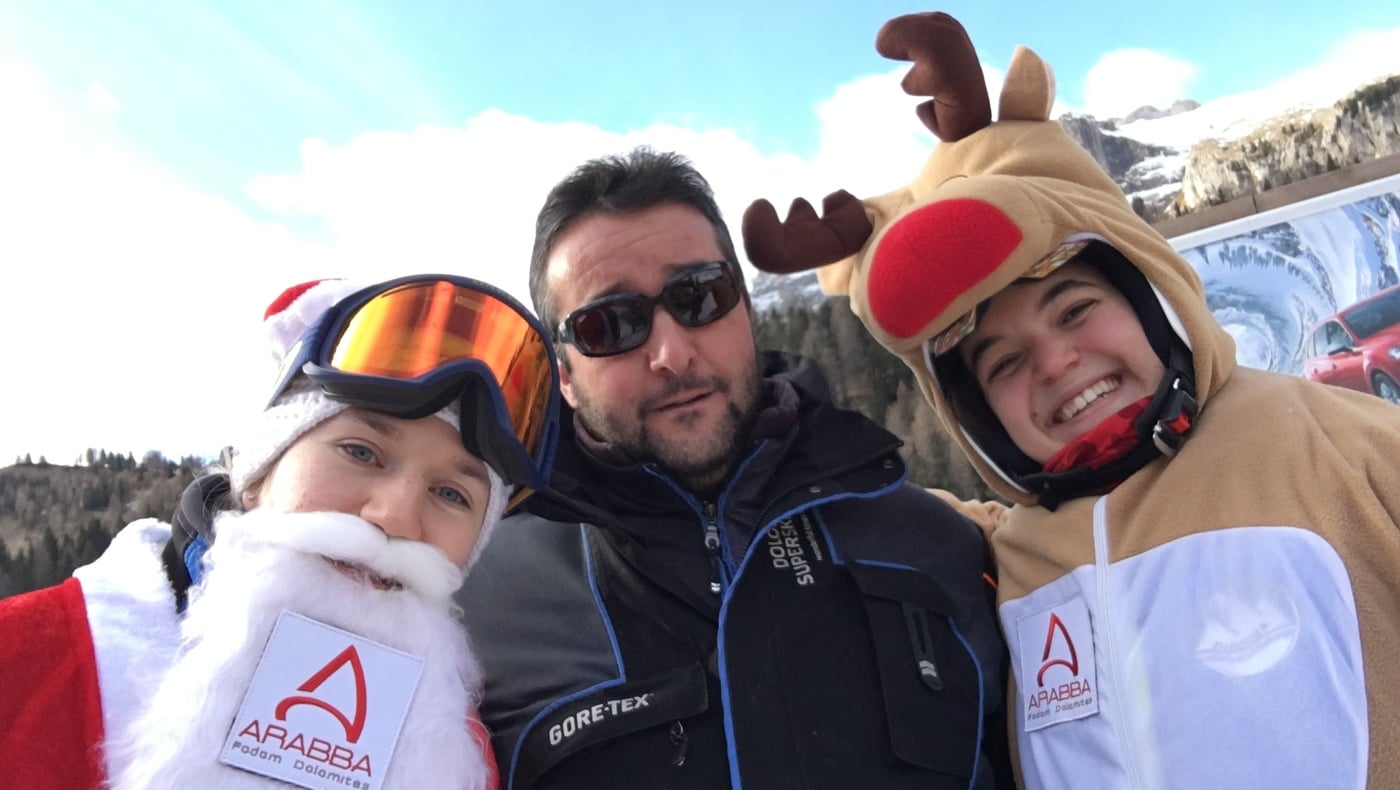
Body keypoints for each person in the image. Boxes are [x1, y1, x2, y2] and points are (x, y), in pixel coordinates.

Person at [742, 11, 1400, 789]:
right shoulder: (1008, 552)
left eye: (1076, 310)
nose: (1056, 362)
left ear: (1151, 297)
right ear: (978, 415)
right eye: (1004, 362)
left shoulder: (1339, 445)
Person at [456, 146, 1013, 789]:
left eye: (700, 296)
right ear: (566, 376)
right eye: (610, 325)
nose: (670, 351)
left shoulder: (932, 544)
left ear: (746, 311)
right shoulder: (476, 600)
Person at [0, 274, 561, 790]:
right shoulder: (23, 659)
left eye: (451, 494)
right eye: (361, 452)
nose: (394, 518)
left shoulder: (459, 753)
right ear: (260, 472)